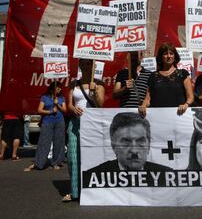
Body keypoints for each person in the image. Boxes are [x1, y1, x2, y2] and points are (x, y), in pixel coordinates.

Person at [62, 58, 105, 202]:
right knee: (73, 158)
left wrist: (95, 92)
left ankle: (92, 190)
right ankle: (75, 191)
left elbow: (101, 105)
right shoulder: (74, 83)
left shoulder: (99, 84)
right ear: (80, 65)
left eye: (89, 63)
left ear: (93, 65)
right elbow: (69, 104)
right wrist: (73, 108)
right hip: (75, 124)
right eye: (84, 63)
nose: (86, 65)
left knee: (92, 158)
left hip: (92, 124)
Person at [85, 112, 170, 171]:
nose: (134, 151)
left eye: (140, 142)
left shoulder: (166, 175)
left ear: (148, 145)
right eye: (126, 142)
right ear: (113, 146)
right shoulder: (94, 176)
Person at [139, 42, 194, 116]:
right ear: (161, 57)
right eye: (165, 54)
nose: (169, 56)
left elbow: (190, 97)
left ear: (175, 57)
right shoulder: (153, 76)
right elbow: (148, 98)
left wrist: (186, 104)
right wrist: (143, 105)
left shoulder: (183, 74)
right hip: (158, 117)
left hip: (179, 117)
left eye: (171, 53)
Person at [24, 81, 67, 171]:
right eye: (58, 88)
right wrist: (50, 111)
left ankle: (56, 162)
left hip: (59, 121)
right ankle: (39, 163)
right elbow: (39, 110)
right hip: (47, 122)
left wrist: (57, 104)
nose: (59, 90)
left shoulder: (61, 98)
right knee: (43, 142)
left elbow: (65, 110)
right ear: (52, 89)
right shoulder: (44, 98)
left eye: (60, 88)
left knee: (59, 142)